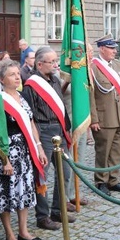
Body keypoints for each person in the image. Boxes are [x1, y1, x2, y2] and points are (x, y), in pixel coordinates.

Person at [0, 61, 46, 240]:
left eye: (17, 73)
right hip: (5, 152)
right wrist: (4, 159)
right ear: (1, 79)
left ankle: (23, 231)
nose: (17, 77)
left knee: (25, 190)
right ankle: (9, 233)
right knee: (6, 192)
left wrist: (39, 147)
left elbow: (30, 123)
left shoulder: (21, 97)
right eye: (11, 74)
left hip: (25, 151)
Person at [21, 46, 76, 229]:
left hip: (58, 129)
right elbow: (29, 115)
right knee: (42, 175)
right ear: (39, 64)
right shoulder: (31, 85)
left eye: (55, 61)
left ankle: (58, 210)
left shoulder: (54, 80)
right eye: (51, 62)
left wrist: (66, 129)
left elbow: (60, 107)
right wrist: (36, 142)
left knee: (64, 171)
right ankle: (42, 216)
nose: (55, 65)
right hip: (43, 130)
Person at [89, 35, 120, 195]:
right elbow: (90, 95)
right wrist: (94, 119)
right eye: (111, 48)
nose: (115, 51)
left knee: (117, 150)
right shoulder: (93, 68)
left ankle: (113, 179)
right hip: (104, 117)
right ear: (102, 48)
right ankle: (101, 181)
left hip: (119, 115)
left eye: (115, 48)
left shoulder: (117, 65)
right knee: (103, 151)